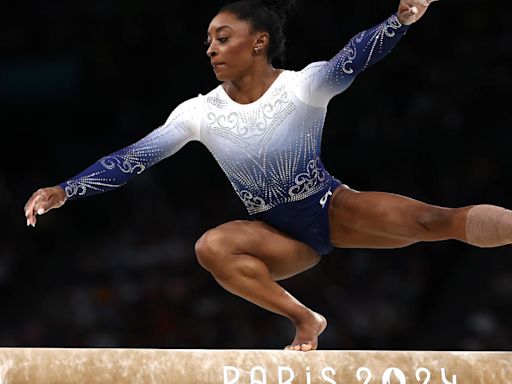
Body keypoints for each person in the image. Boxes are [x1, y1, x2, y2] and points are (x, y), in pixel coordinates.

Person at [23, 0, 512, 352]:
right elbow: (135, 157)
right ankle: (305, 319)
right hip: (275, 236)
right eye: (208, 41)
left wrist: (400, 20)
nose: (211, 49)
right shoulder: (198, 112)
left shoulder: (303, 87)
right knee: (210, 247)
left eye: (223, 37)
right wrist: (67, 189)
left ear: (258, 42)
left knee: (434, 221)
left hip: (329, 208)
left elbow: (354, 57)